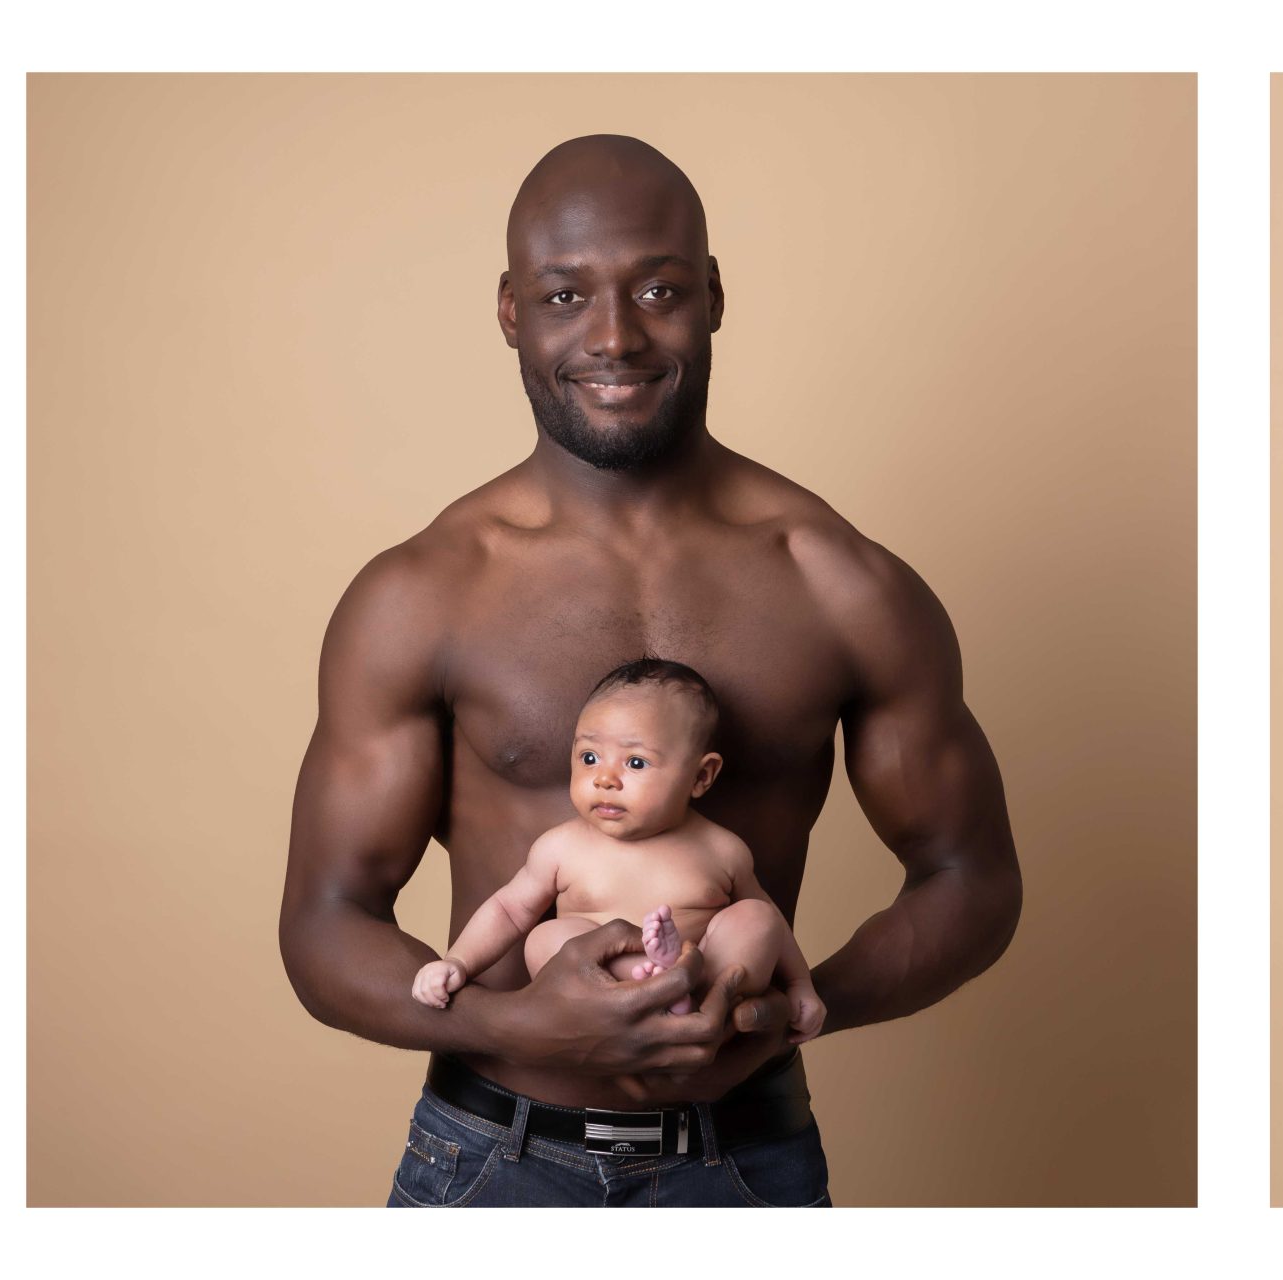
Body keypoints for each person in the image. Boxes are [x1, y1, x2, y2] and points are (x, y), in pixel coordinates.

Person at [279, 134, 1021, 1208]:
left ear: (713, 296)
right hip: (494, 1155)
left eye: (659, 289)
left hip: (745, 1156)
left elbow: (972, 876)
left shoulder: (838, 582)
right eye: (566, 294)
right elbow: (325, 918)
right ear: (509, 312)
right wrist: (509, 1018)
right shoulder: (423, 593)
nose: (615, 336)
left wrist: (798, 1004)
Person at [410, 659, 825, 1041]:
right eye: (589, 757)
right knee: (546, 937)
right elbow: (507, 910)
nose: (605, 779)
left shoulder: (722, 849)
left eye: (636, 763)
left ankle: (686, 991)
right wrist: (458, 963)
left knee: (757, 916)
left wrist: (799, 985)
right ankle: (652, 982)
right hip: (600, 995)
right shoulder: (561, 847)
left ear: (701, 776)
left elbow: (774, 928)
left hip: (707, 982)